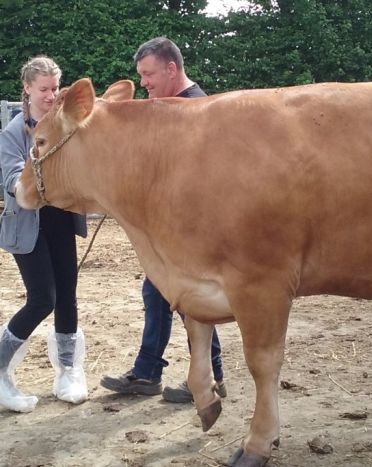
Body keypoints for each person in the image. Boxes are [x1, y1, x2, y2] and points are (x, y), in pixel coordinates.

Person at [100, 37, 227, 403]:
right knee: (157, 293)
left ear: (172, 69)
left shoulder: (195, 108)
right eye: (141, 75)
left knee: (189, 301)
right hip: (171, 229)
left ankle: (210, 376)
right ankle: (148, 372)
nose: (143, 83)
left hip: (192, 229)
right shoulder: (170, 107)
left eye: (148, 74)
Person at [0, 56, 89, 412]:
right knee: (42, 299)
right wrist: (37, 178)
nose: (51, 95)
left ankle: (69, 371)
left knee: (67, 295)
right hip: (27, 224)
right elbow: (11, 180)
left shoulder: (65, 124)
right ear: (27, 88)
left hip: (61, 219)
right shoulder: (13, 131)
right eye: (43, 89)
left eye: (55, 88)